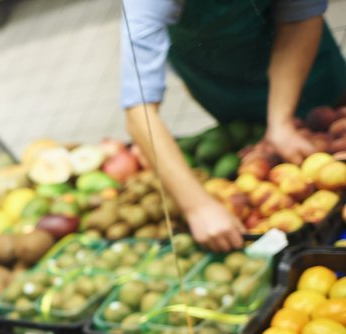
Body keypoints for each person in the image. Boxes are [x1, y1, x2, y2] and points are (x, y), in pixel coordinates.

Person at [120, 0, 346, 252]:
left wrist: (280, 123)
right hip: (217, 72)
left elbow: (300, 15)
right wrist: (198, 206)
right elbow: (139, 109)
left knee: (329, 119)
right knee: (244, 132)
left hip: (301, 59)